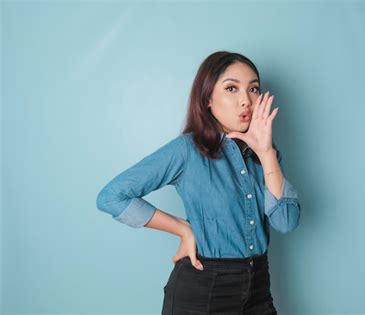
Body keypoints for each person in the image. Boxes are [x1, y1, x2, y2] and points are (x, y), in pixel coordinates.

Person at [96, 51, 301, 314]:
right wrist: (183, 229)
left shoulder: (265, 156)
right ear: (207, 100)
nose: (245, 101)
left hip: (258, 288)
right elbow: (111, 197)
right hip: (203, 290)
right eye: (231, 88)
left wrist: (266, 153)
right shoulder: (187, 151)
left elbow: (286, 222)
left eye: (253, 89)